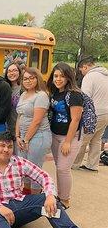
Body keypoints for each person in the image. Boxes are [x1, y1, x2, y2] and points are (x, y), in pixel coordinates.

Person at [47, 62, 83, 209]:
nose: (58, 79)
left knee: (63, 168)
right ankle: (60, 195)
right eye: (56, 76)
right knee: (59, 167)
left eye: (62, 76)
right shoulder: (55, 92)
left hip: (70, 137)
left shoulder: (74, 95)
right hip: (55, 134)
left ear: (68, 77)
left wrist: (68, 141)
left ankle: (65, 199)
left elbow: (75, 119)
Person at [15, 67, 51, 194]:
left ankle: (36, 199)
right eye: (25, 79)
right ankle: (26, 195)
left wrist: (26, 139)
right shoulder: (23, 94)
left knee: (34, 169)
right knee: (24, 168)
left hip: (38, 136)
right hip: (24, 137)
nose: (28, 81)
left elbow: (36, 121)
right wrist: (18, 136)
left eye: (31, 78)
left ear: (38, 79)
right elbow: (20, 115)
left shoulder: (41, 95)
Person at [72, 56, 108, 172]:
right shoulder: (105, 75)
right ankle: (92, 165)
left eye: (81, 70)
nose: (81, 73)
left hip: (94, 113)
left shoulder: (89, 77)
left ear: (85, 66)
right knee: (96, 139)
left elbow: (85, 97)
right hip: (106, 113)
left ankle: (75, 163)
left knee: (83, 139)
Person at [4, 62, 22, 137]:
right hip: (8, 128)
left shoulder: (24, 88)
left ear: (20, 72)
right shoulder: (5, 87)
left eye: (15, 70)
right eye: (9, 71)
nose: (12, 73)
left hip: (21, 129)